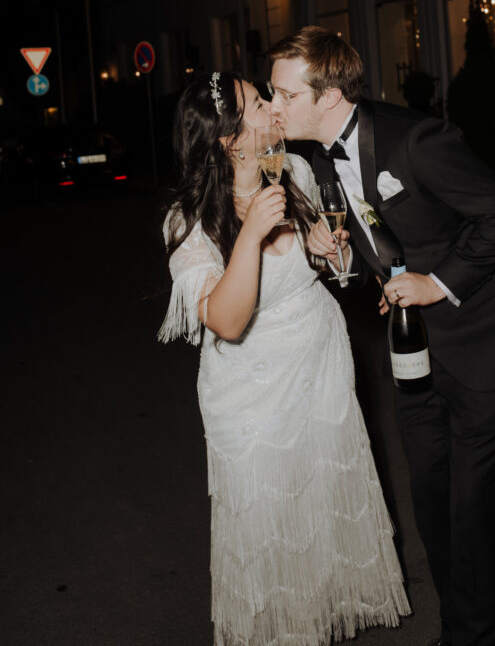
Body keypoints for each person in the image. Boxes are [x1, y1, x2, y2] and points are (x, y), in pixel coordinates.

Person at [268, 29, 495, 646]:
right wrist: (333, 256)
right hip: (413, 352)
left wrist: (438, 282)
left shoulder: (416, 139)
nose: (274, 106)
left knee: (473, 511)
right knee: (433, 503)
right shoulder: (316, 158)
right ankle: (458, 629)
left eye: (284, 95)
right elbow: (375, 251)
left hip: (481, 342)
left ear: (330, 96)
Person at [157, 71, 410, 646]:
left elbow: (322, 271)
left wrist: (331, 250)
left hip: (320, 369)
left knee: (321, 521)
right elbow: (225, 319)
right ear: (228, 139)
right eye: (258, 104)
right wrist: (249, 234)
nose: (275, 109)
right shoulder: (188, 220)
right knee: (271, 530)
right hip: (252, 395)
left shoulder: (294, 171)